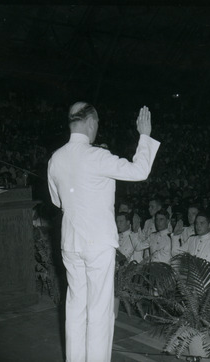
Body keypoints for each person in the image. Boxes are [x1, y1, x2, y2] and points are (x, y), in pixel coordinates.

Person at [47, 103, 160, 362]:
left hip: (71, 243)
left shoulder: (56, 158)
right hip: (97, 243)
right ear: (90, 123)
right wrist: (144, 135)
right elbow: (139, 171)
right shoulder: (97, 156)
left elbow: (58, 201)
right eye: (96, 124)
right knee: (99, 311)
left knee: (75, 308)